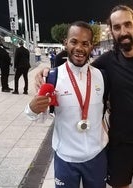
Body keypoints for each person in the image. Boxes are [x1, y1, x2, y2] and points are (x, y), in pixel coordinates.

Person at [35, 5, 133, 188]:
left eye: (127, 24)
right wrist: (47, 72)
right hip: (119, 144)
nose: (123, 31)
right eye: (117, 27)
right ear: (112, 31)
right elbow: (78, 69)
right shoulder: (106, 63)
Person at [25, 21, 108, 188]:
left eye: (85, 43)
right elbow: (40, 117)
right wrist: (31, 109)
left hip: (97, 157)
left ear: (91, 46)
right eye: (74, 41)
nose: (79, 48)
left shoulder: (102, 76)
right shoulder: (52, 77)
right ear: (65, 43)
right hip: (66, 159)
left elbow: (107, 109)